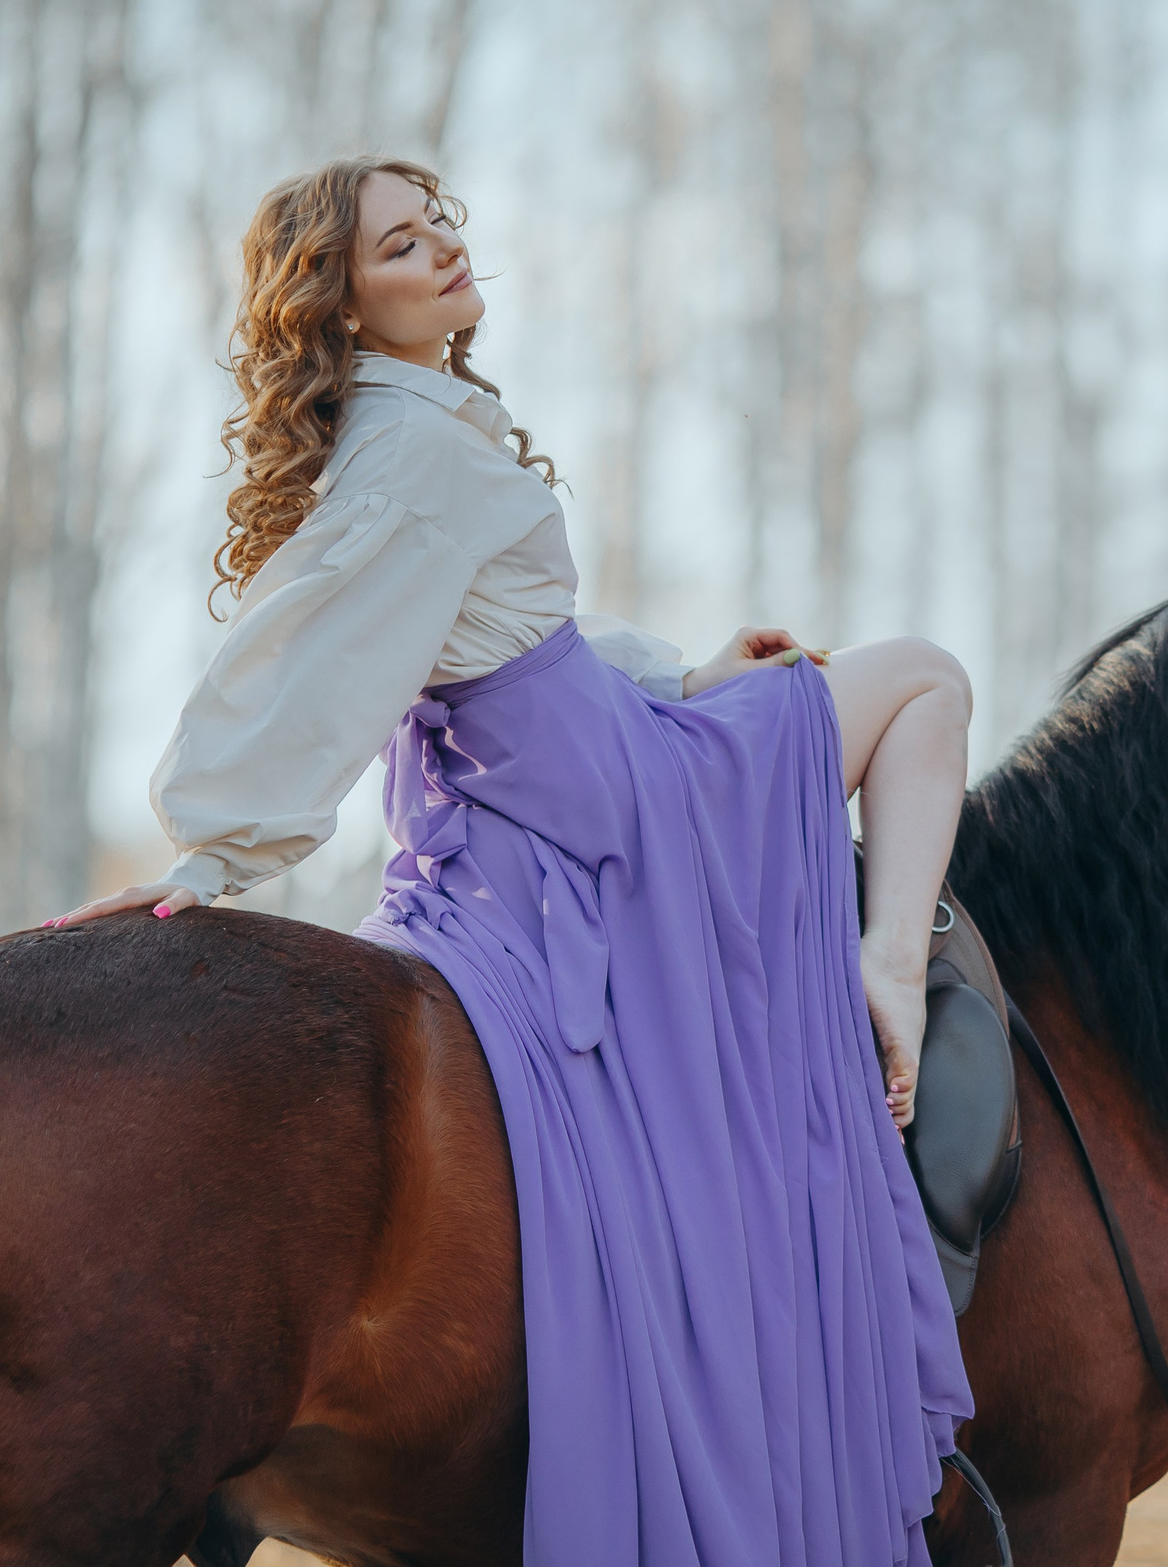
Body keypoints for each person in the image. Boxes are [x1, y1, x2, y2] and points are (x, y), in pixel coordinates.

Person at [51, 153, 973, 1564]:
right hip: (611, 819)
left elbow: (496, 659)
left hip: (544, 792)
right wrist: (220, 856)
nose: (441, 258)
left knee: (864, 679)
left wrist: (691, 675)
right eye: (399, 250)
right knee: (924, 679)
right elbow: (314, 667)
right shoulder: (416, 457)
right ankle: (892, 974)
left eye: (439, 233)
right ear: (342, 308)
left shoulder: (411, 432)